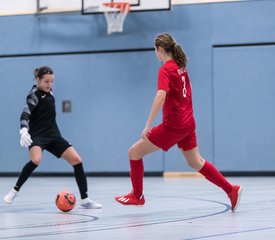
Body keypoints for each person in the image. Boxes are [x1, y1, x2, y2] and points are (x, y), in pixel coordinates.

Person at [114, 33, 243, 212]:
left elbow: (160, 96)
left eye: (155, 50)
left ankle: (137, 196)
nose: (155, 53)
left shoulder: (166, 69)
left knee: (134, 152)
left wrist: (148, 125)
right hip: (188, 122)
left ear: (160, 49)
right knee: (195, 161)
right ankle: (231, 190)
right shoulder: (181, 67)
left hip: (174, 125)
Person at [3, 66, 102, 209]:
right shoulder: (34, 95)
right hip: (37, 135)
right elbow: (25, 114)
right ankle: (14, 191)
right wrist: (24, 130)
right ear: (38, 80)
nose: (49, 85)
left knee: (77, 160)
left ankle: (85, 200)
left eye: (52, 82)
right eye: (46, 82)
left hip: (53, 134)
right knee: (35, 160)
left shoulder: (50, 93)